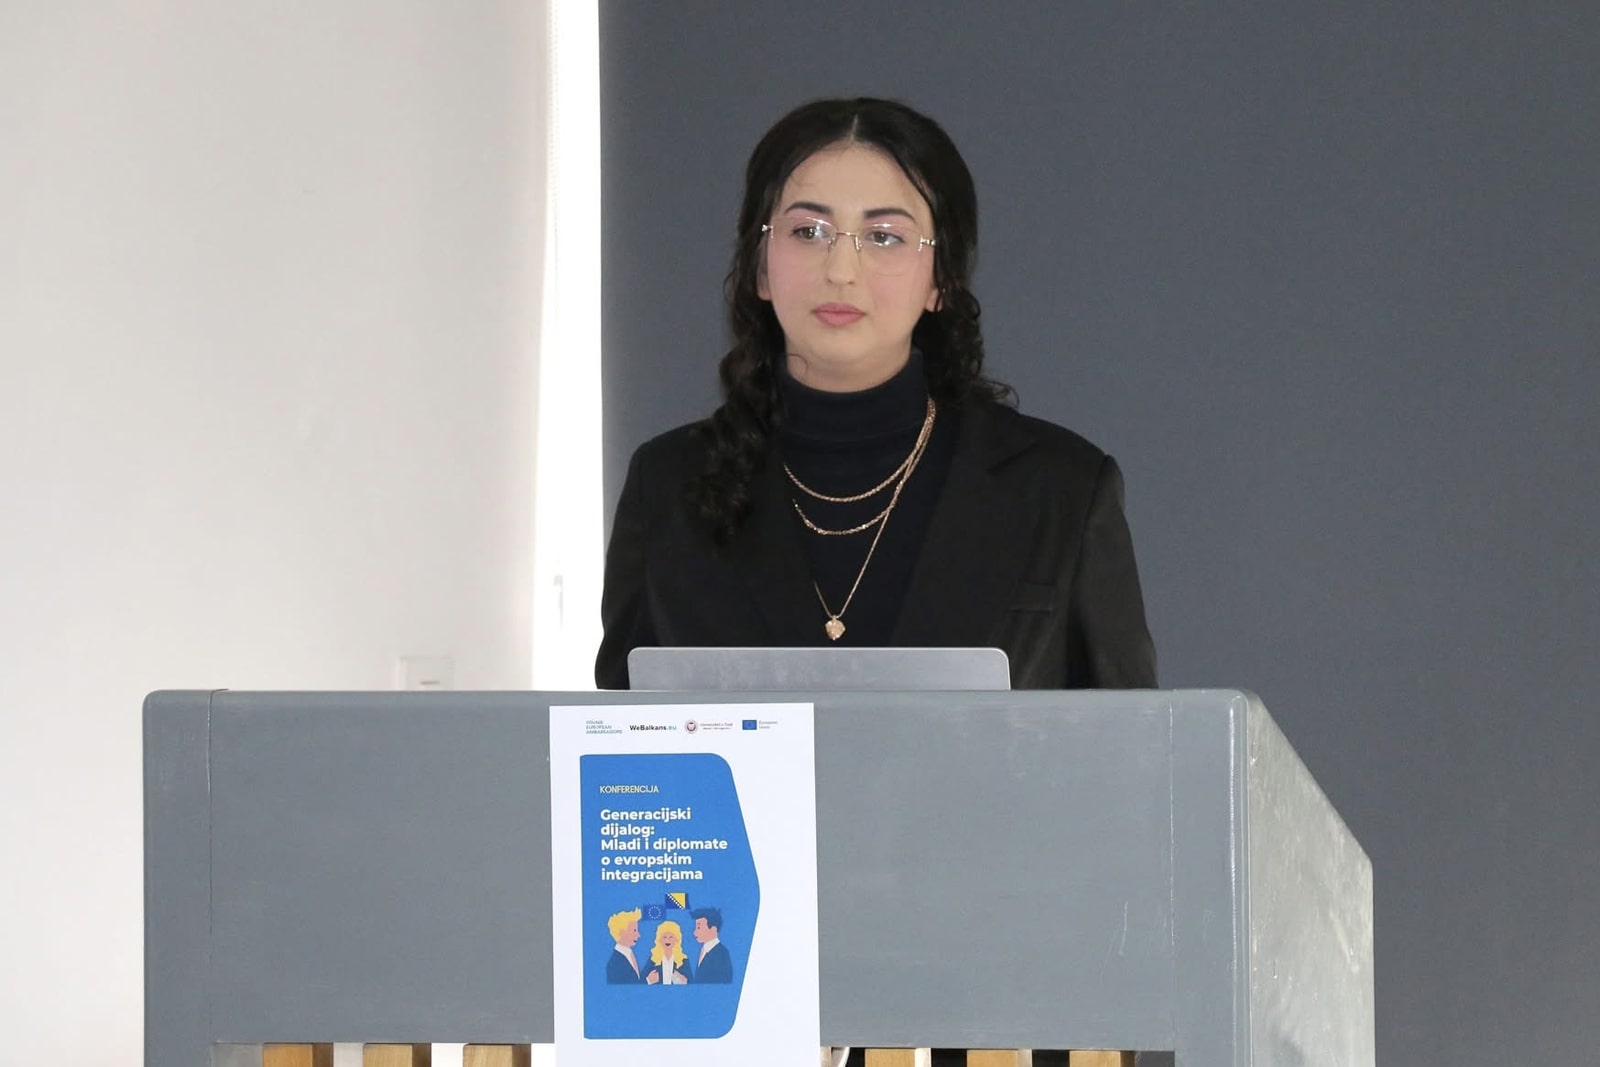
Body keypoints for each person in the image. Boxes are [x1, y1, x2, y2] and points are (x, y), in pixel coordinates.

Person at [596, 97, 1156, 691]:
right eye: (808, 232)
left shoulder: (1062, 490)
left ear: (941, 280)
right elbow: (620, 736)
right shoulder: (667, 486)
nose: (841, 269)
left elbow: (1133, 741)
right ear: (761, 268)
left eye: (885, 237)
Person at [690, 906, 733, 983]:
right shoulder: (703, 950)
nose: (694, 932)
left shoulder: (722, 954)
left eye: (699, 928)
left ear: (713, 930)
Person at [604, 908, 645, 984]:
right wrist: (648, 981)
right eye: (634, 930)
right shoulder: (614, 963)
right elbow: (627, 985)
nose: (638, 935)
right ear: (622, 932)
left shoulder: (629, 953)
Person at [645, 919, 690, 985]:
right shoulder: (653, 960)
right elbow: (642, 982)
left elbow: (692, 984)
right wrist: (649, 980)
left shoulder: (683, 961)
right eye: (664, 937)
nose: (667, 940)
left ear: (676, 940)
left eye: (671, 937)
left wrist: (684, 982)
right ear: (659, 940)